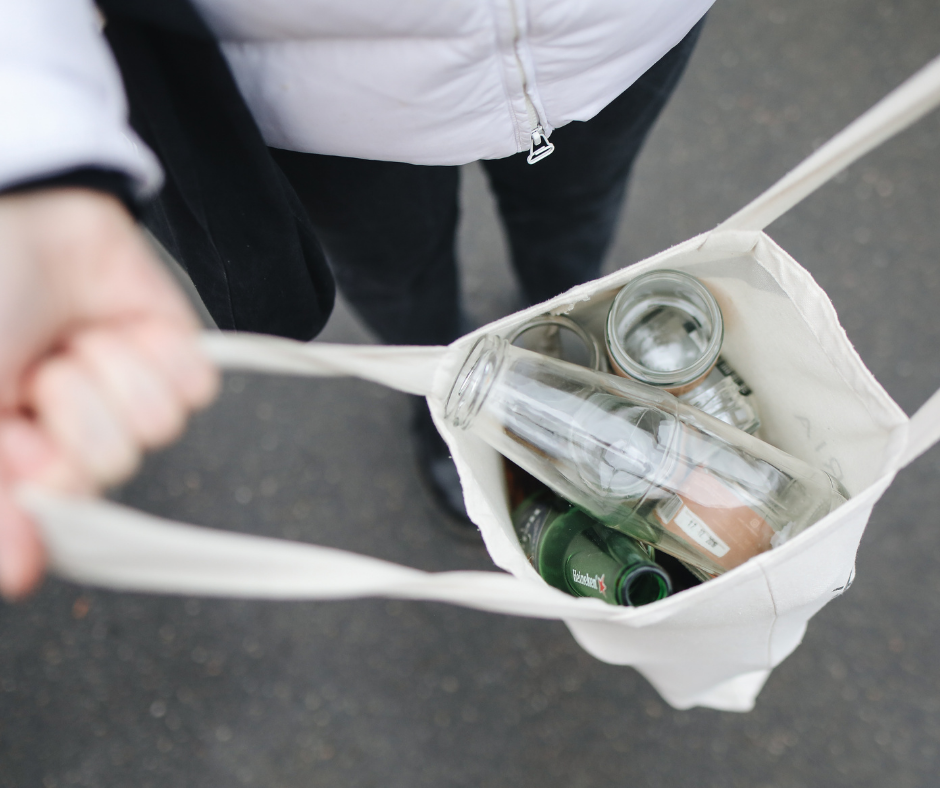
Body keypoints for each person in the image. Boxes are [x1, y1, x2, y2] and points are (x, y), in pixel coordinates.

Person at [0, 0, 711, 595]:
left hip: (619, 34)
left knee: (576, 228)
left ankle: (571, 345)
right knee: (399, 279)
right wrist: (35, 147)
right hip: (321, 87)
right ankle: (443, 391)